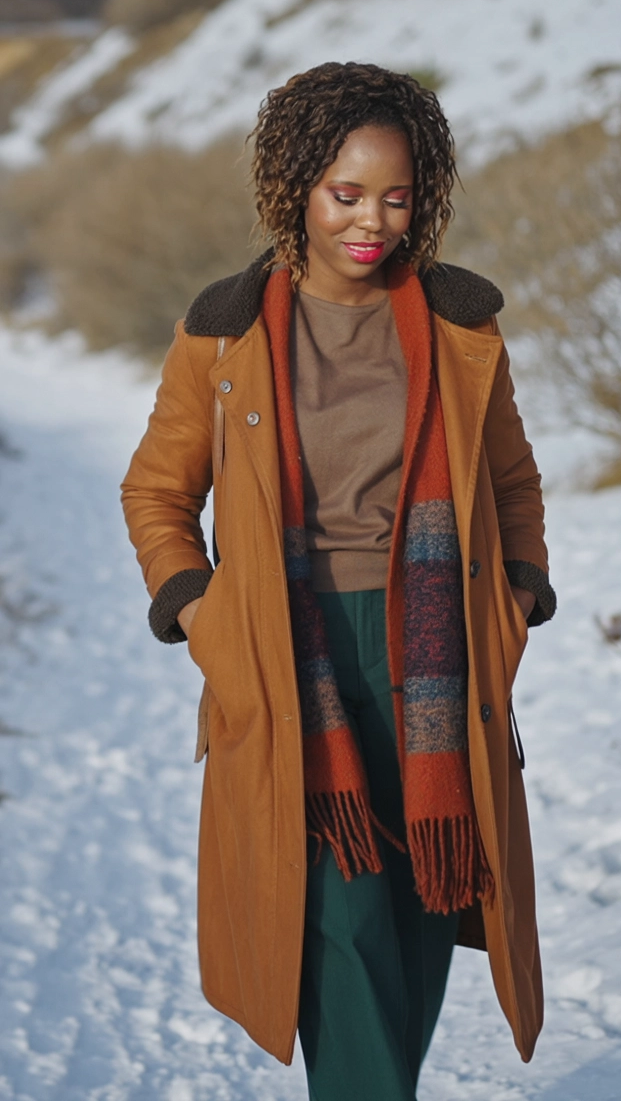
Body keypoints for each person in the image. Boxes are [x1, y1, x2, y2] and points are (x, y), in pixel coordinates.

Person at [121, 61, 556, 1100]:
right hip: (287, 654)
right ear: (295, 188)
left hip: (432, 654)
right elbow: (156, 492)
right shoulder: (225, 330)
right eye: (346, 194)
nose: (373, 221)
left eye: (397, 196)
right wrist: (202, 610)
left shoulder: (459, 324)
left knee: (415, 915)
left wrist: (518, 595)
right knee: (342, 924)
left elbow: (512, 479)